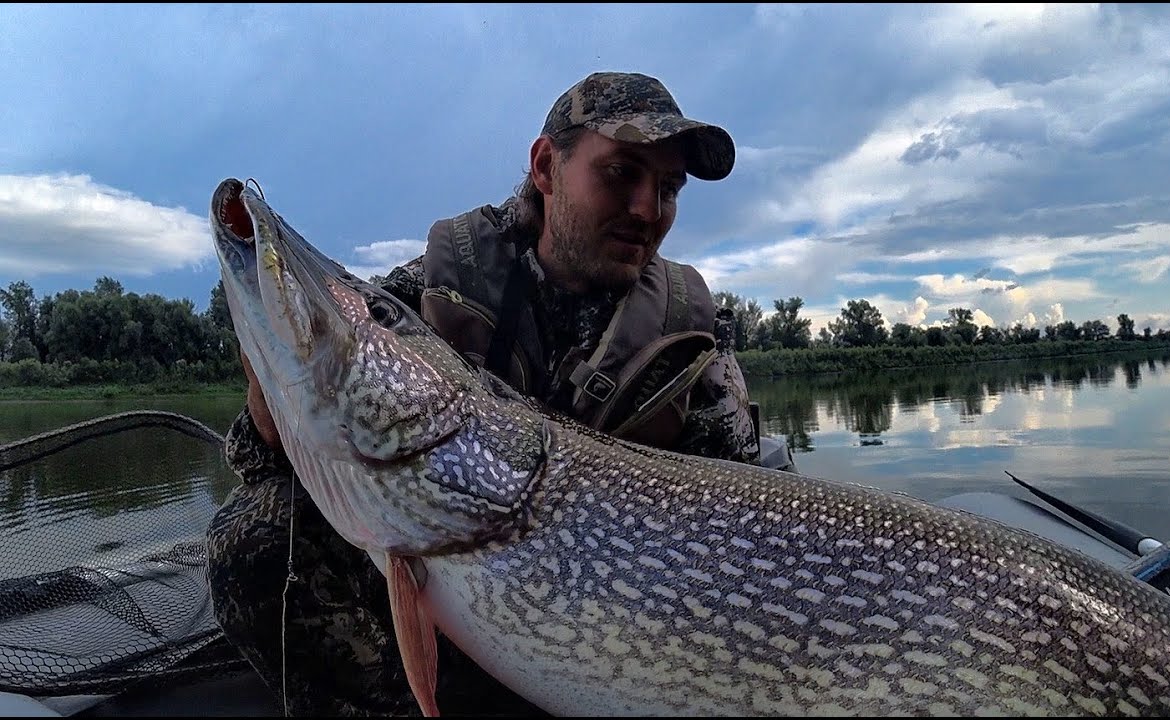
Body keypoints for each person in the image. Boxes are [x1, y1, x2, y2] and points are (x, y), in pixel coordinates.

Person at [206, 71, 761, 717]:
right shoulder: (432, 291)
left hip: (620, 634)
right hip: (467, 599)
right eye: (621, 173)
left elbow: (752, 528)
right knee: (260, 533)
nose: (647, 209)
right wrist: (279, 383)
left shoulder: (695, 341)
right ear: (547, 166)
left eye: (668, 189)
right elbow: (259, 464)